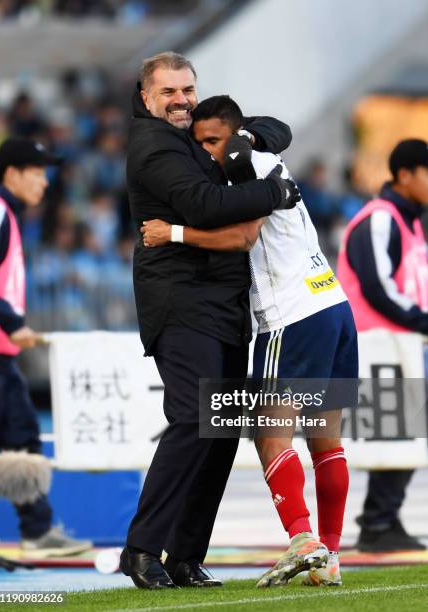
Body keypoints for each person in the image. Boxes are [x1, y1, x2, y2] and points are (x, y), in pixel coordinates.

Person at [141, 95, 358, 587]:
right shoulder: (269, 157)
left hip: (290, 314)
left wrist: (172, 232)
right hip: (331, 303)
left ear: (236, 135)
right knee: (326, 441)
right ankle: (332, 558)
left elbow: (242, 239)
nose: (209, 152)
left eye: (213, 141)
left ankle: (303, 540)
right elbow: (274, 130)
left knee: (268, 433)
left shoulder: (244, 166)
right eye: (200, 143)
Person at [121, 53, 299, 590]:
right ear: (146, 96)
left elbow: (278, 129)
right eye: (169, 91)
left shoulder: (193, 134)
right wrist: (276, 193)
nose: (180, 100)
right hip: (181, 302)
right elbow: (200, 205)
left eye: (188, 90)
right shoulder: (152, 144)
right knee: (196, 421)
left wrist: (244, 134)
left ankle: (184, 555)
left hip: (222, 304)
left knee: (219, 433)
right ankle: (142, 550)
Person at [337, 138, 428, 552]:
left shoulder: (409, 223)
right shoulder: (381, 218)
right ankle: (377, 521)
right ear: (404, 175)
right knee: (413, 423)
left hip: (393, 346)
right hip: (370, 345)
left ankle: (380, 521)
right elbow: (377, 288)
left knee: (416, 424)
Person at [0, 137, 92, 557]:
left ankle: (36, 528)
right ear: (12, 174)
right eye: (36, 172)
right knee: (16, 440)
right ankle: (31, 530)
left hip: (1, 356)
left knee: (22, 438)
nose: (44, 183)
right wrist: (13, 323)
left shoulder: (6, 215)